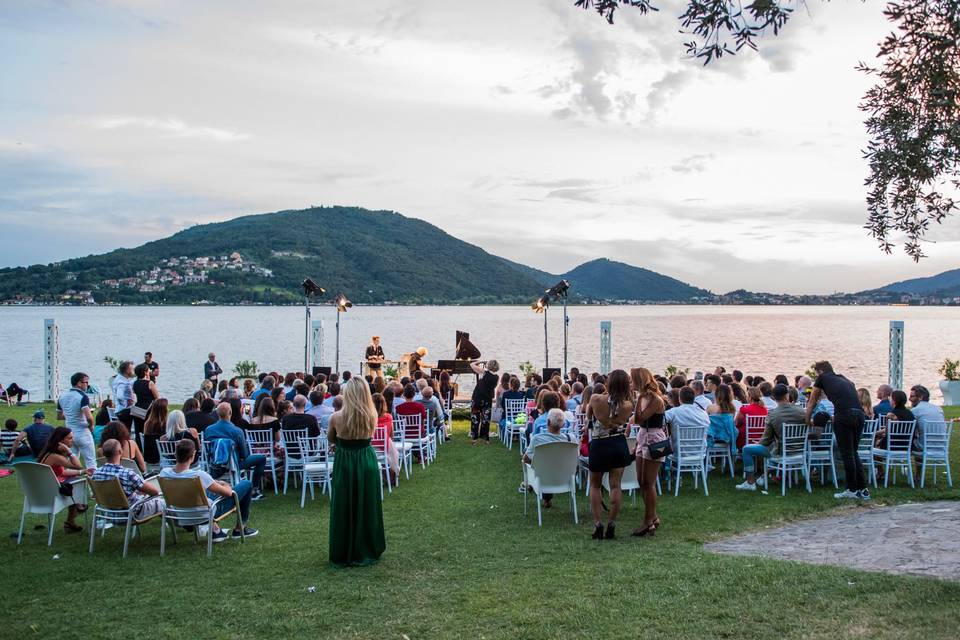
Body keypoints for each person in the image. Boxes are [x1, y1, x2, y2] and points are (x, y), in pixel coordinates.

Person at [327, 377, 386, 566]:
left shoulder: (336, 417)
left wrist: (341, 443)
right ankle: (367, 547)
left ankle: (343, 549)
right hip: (366, 460)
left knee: (343, 504)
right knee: (367, 503)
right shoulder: (372, 415)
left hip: (345, 461)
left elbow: (331, 438)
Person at [160, 439, 258, 542]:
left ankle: (216, 531)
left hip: (177, 514)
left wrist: (212, 482)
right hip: (203, 515)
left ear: (175, 454)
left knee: (204, 492)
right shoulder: (198, 475)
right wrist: (225, 485)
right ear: (193, 455)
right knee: (246, 484)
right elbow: (228, 493)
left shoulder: (164, 473)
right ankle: (240, 529)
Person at [806, 361, 868, 500]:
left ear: (820, 371)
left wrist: (806, 419)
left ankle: (851, 489)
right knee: (854, 452)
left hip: (844, 415)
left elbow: (812, 401)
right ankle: (863, 489)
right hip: (859, 415)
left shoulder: (822, 378)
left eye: (816, 373)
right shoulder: (844, 378)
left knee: (847, 454)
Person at [586, 369, 634, 540]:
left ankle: (598, 523)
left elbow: (588, 420)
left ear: (609, 382)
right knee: (615, 486)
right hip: (618, 444)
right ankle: (611, 523)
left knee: (595, 486)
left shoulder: (595, 398)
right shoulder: (628, 405)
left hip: (599, 444)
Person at [736, 384, 806, 490]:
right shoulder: (801, 411)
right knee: (773, 447)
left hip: (781, 452)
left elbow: (766, 440)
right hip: (800, 450)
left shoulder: (773, 415)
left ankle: (750, 482)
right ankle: (764, 476)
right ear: (787, 396)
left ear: (774, 397)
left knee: (747, 449)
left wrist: (758, 443)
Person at [631, 367, 667, 537]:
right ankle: (652, 517)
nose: (630, 383)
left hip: (654, 439)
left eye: (633, 380)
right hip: (643, 437)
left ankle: (648, 520)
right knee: (641, 481)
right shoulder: (644, 397)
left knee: (648, 482)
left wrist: (637, 400)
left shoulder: (653, 398)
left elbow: (639, 419)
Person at [205, 403, 267, 500]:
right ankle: (255, 489)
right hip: (233, 465)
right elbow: (244, 454)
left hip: (214, 464)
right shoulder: (236, 431)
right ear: (230, 413)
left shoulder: (208, 430)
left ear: (217, 414)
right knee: (262, 458)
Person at [36, 427, 91, 533]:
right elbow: (78, 465)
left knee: (73, 481)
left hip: (42, 491)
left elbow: (62, 473)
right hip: (52, 494)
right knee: (75, 485)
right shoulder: (56, 456)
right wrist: (69, 452)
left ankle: (71, 521)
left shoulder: (48, 453)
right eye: (70, 438)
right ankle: (77, 507)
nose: (73, 440)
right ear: (61, 441)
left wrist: (82, 472)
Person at [93, 439, 165, 519]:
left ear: (104, 453)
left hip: (109, 514)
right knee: (163, 503)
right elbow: (154, 492)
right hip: (131, 514)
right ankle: (179, 523)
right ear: (120, 452)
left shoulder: (96, 474)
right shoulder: (127, 474)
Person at [522, 408, 574, 508]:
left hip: (543, 477)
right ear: (563, 424)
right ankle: (545, 498)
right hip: (565, 477)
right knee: (548, 463)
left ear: (548, 422)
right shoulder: (571, 439)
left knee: (529, 455)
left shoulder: (537, 439)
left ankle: (527, 483)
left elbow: (525, 460)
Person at [57, 371, 97, 473]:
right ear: (79, 383)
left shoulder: (62, 396)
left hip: (69, 434)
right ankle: (93, 487)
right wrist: (91, 426)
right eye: (86, 382)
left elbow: (59, 416)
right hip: (83, 432)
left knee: (72, 462)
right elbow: (89, 417)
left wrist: (71, 415)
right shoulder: (82, 397)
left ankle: (73, 486)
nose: (87, 385)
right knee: (91, 462)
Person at [469, 359, 500, 444]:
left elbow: (471, 365)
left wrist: (480, 361)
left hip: (477, 398)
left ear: (489, 365)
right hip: (487, 399)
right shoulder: (497, 377)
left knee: (475, 418)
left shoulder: (484, 372)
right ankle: (485, 438)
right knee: (486, 419)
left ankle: (474, 439)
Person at [131, 363, 159, 439]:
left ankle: (139, 446)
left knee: (138, 430)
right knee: (147, 430)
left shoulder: (135, 383)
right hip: (148, 409)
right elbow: (157, 398)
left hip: (137, 409)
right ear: (145, 372)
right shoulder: (150, 383)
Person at [142, 398, 169, 467]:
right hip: (163, 456)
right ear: (164, 410)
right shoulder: (166, 424)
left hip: (149, 456)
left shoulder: (147, 424)